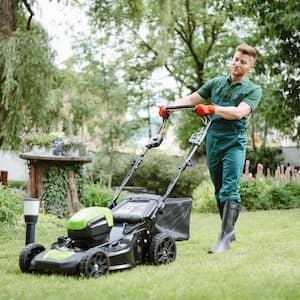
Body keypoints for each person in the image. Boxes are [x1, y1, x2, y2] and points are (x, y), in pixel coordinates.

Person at [159, 44, 262, 254]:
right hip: (213, 140)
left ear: (250, 67)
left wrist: (213, 108)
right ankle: (229, 230)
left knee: (229, 188)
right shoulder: (216, 83)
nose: (237, 64)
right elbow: (190, 99)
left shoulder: (253, 90)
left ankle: (224, 237)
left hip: (234, 142)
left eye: (243, 62)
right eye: (235, 59)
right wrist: (169, 107)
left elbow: (239, 113)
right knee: (218, 191)